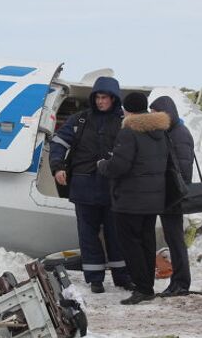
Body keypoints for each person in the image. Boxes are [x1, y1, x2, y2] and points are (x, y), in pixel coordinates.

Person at [49, 76, 132, 293]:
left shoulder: (126, 121)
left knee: (117, 235)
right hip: (84, 187)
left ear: (114, 99)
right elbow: (58, 143)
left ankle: (122, 277)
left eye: (105, 97)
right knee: (88, 235)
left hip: (114, 188)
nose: (100, 101)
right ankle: (95, 279)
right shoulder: (80, 120)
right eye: (97, 97)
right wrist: (58, 167)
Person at [97, 92, 170, 305]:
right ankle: (147, 285)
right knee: (147, 242)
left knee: (131, 245)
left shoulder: (129, 132)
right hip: (153, 198)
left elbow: (119, 166)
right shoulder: (159, 131)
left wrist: (103, 165)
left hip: (130, 200)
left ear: (127, 109)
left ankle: (142, 288)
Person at [149, 96, 194, 297]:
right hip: (167, 194)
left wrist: (174, 190)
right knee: (172, 239)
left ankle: (181, 283)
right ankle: (177, 282)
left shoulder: (180, 134)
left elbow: (183, 169)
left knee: (176, 240)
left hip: (174, 196)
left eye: (155, 112)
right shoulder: (169, 132)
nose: (152, 116)